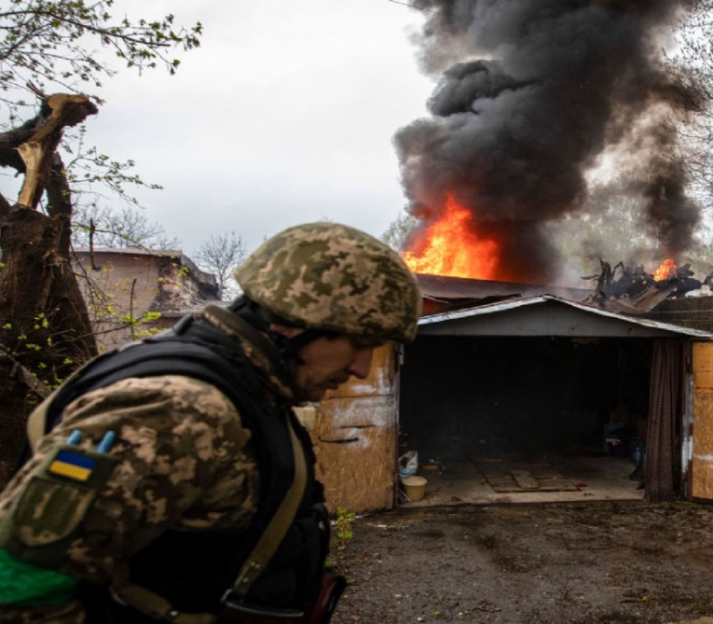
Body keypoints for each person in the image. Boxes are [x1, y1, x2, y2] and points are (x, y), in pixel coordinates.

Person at [0, 222, 422, 623]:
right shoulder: (177, 408)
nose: (362, 368)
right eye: (359, 344)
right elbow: (21, 578)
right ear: (293, 325)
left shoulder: (247, 389)